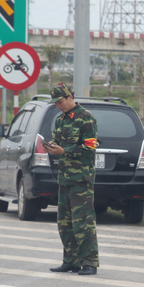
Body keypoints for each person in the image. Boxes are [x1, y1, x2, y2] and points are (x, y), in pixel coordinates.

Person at [44, 83, 99, 276]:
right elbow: (58, 142)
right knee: (65, 223)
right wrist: (52, 146)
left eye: (60, 102)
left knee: (82, 223)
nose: (58, 106)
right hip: (65, 178)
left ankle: (90, 263)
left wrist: (64, 151)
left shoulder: (86, 119)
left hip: (81, 179)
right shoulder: (61, 120)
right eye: (55, 103)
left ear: (69, 97)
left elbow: (90, 148)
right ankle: (71, 261)